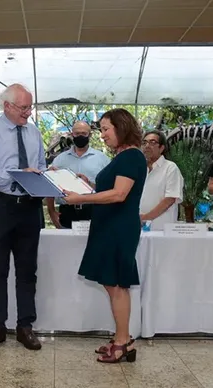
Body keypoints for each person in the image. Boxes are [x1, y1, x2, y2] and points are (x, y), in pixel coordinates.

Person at [61, 109, 146, 364]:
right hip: (110, 225)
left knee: (117, 285)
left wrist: (81, 198)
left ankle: (122, 342)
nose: (103, 135)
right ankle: (122, 338)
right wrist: (89, 185)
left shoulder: (132, 156)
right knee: (113, 284)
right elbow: (111, 190)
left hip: (118, 228)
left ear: (122, 128)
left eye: (106, 129)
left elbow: (119, 195)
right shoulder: (122, 157)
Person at [0, 83, 45, 351]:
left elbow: (41, 167)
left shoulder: (34, 132)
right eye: (25, 107)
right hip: (0, 206)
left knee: (28, 271)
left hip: (29, 207)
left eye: (30, 107)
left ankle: (25, 326)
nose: (28, 113)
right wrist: (17, 175)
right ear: (8, 106)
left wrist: (45, 176)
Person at [46, 120, 110, 229]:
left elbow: (110, 188)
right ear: (72, 134)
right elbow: (50, 186)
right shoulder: (60, 159)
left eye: (84, 134)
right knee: (67, 245)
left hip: (93, 210)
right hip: (67, 211)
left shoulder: (102, 159)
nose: (80, 136)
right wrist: (52, 211)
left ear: (90, 135)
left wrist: (89, 183)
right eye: (77, 134)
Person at [139, 130, 183, 230]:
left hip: (161, 229)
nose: (147, 146)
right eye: (144, 142)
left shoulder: (170, 168)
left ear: (162, 148)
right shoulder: (140, 169)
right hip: (139, 229)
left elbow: (169, 200)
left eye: (152, 142)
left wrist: (145, 218)